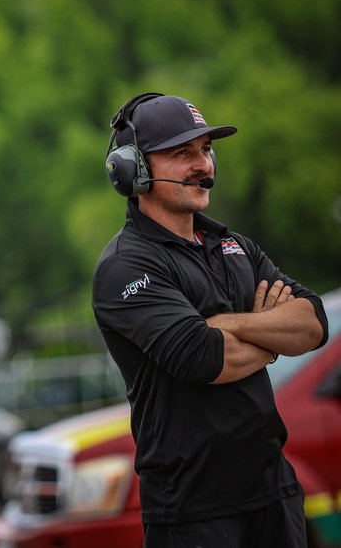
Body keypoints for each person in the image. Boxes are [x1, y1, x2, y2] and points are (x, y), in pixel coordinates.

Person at [92, 92, 328, 548]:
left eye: (207, 149)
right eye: (183, 153)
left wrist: (228, 324)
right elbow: (203, 358)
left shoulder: (234, 245)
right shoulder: (124, 266)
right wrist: (269, 330)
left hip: (275, 493)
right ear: (131, 169)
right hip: (192, 510)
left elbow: (313, 323)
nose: (204, 165)